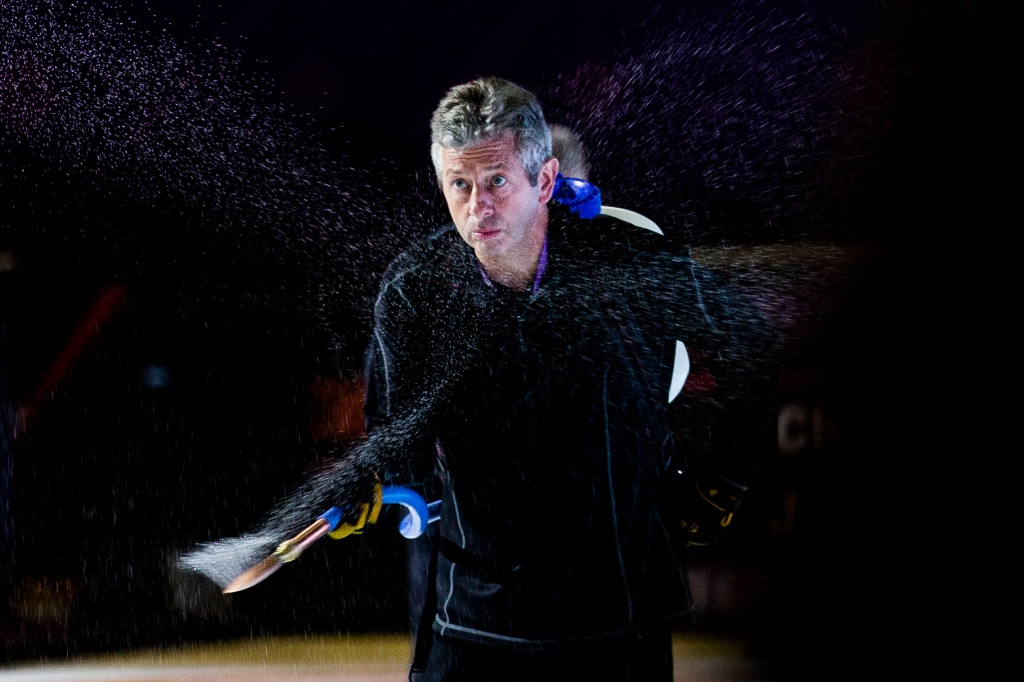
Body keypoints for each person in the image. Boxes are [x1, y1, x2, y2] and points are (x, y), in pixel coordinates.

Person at [360, 77, 779, 681]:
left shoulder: (632, 258)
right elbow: (398, 431)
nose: (479, 205)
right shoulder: (413, 287)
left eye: (497, 181)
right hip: (472, 625)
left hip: (618, 623)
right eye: (461, 184)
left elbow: (754, 347)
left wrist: (718, 484)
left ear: (548, 181)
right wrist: (384, 482)